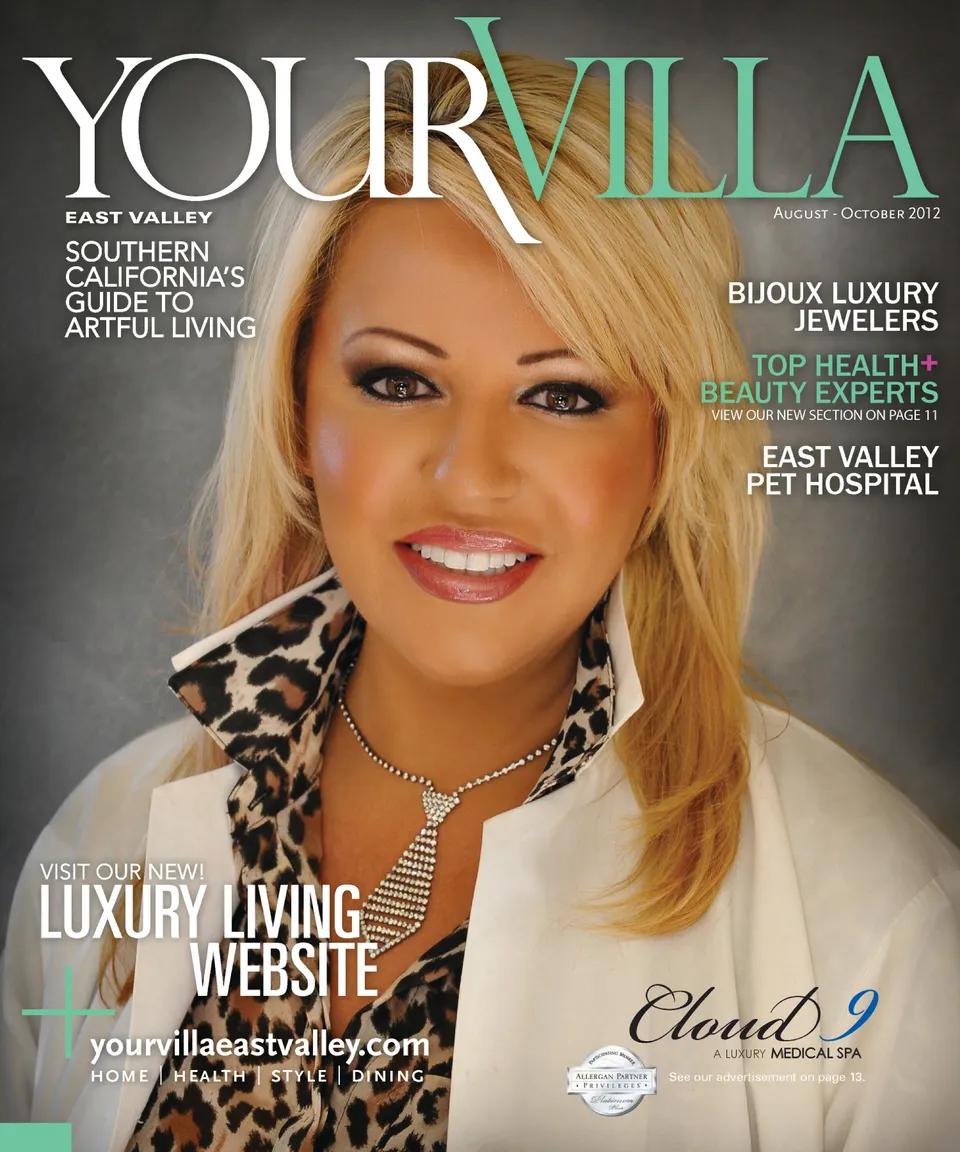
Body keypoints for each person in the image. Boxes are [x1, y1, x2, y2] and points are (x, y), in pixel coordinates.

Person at [2, 53, 959, 1152]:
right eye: (399, 382)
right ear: (296, 411)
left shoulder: (883, 920)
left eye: (564, 394)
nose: (471, 476)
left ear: (664, 447)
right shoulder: (100, 838)